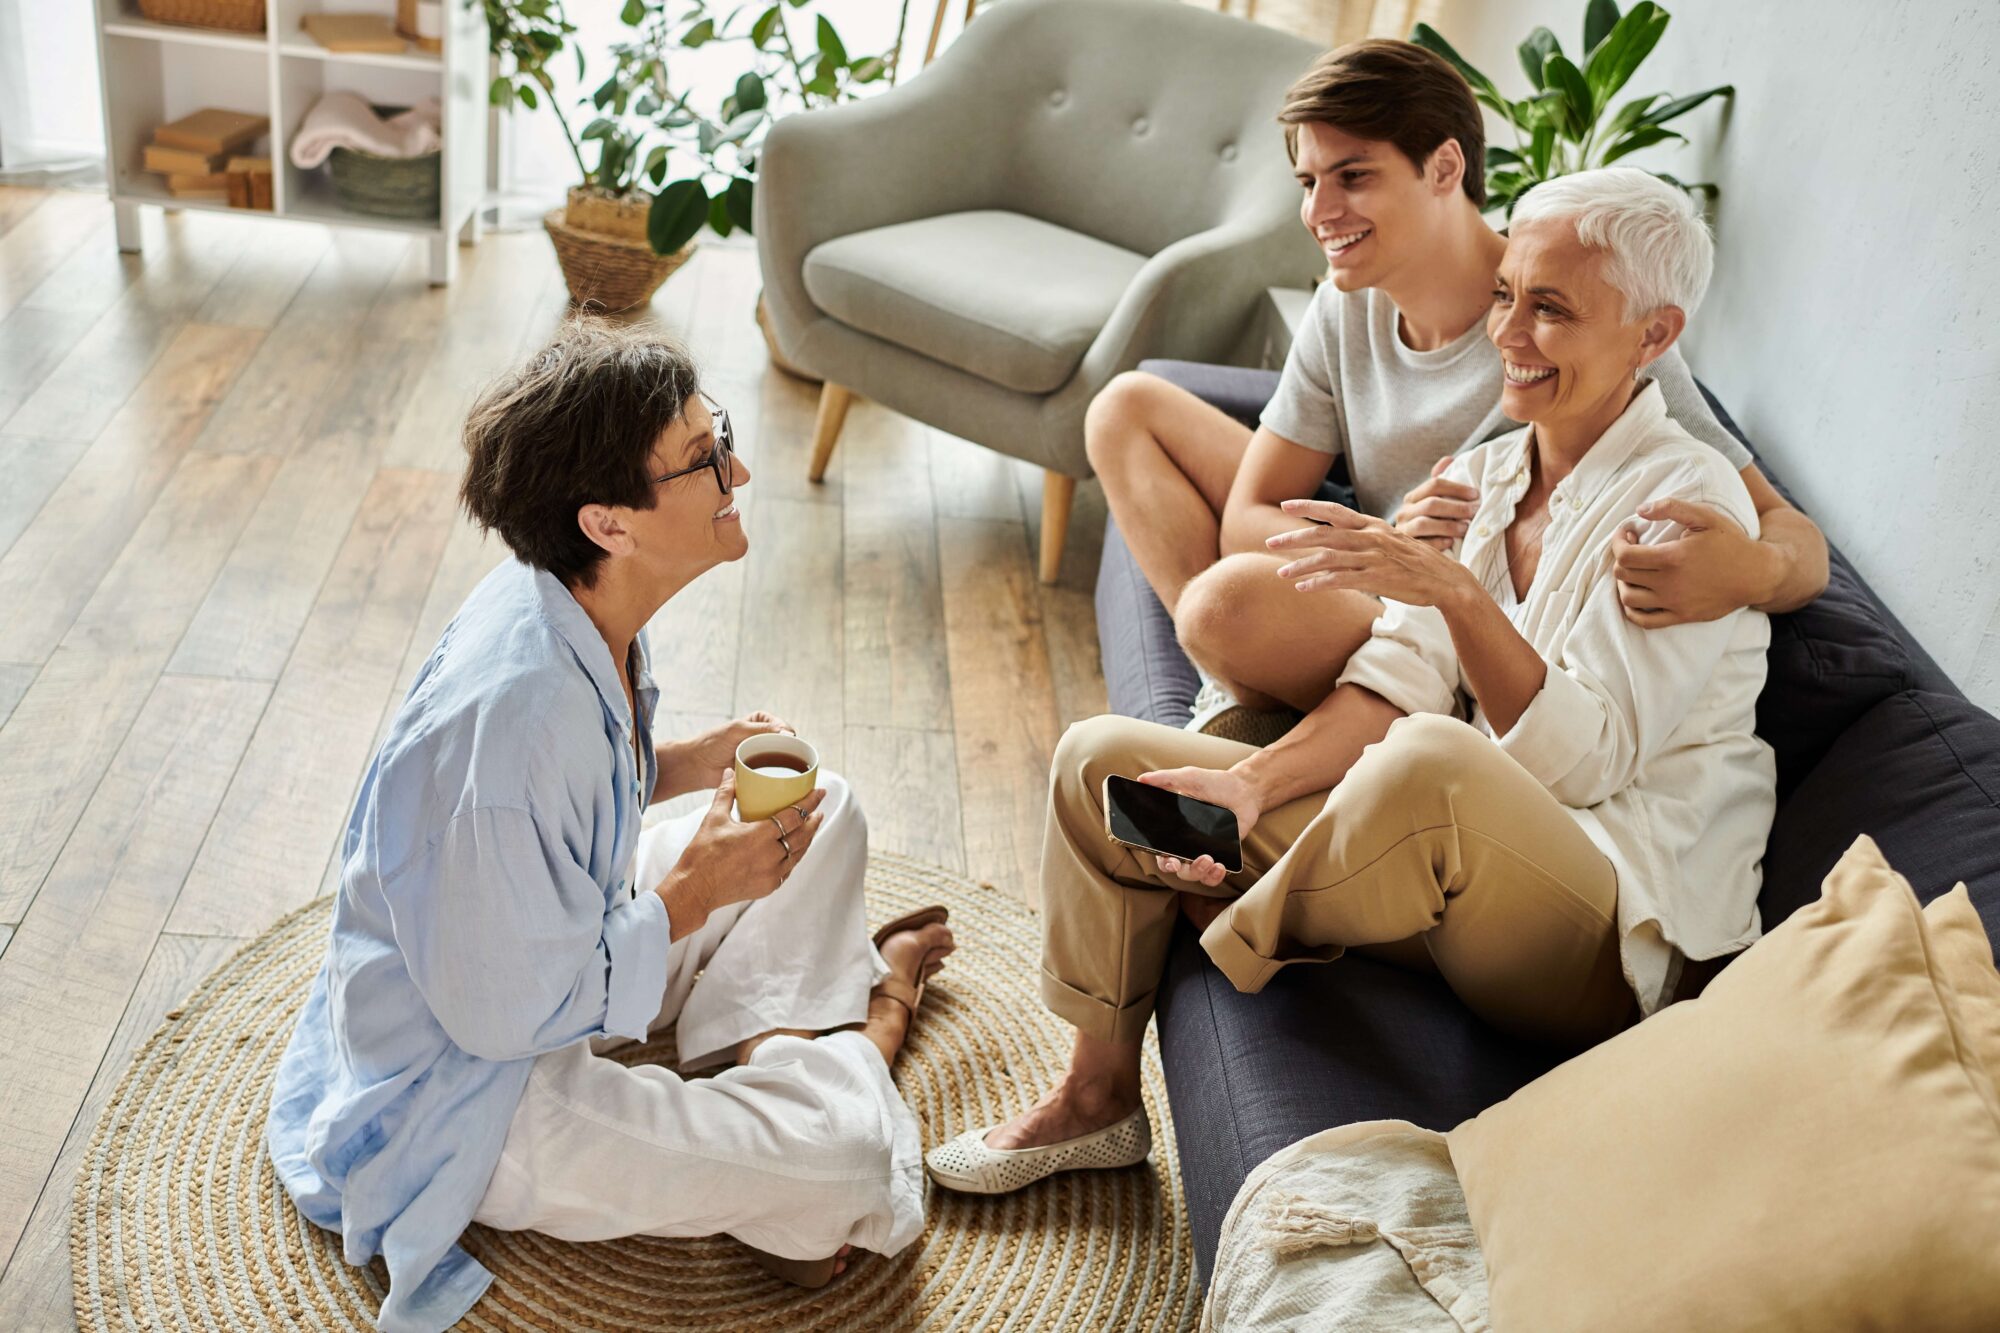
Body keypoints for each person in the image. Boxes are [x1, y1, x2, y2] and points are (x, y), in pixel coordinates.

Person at [928, 169, 1774, 1192]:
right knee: (1100, 763)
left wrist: (1455, 597)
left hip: (1602, 929)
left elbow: (1581, 764)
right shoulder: (1485, 477)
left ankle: (1230, 916)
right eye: (1506, 292)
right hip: (1426, 877)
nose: (1507, 330)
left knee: (1432, 761)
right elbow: (1387, 683)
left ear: (1652, 334)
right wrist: (1252, 785)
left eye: (1550, 308)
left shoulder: (1687, 507)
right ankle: (1096, 1101)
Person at [266, 320, 956, 1333]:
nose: (741, 467)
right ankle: (863, 1027)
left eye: (716, 435)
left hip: (548, 955)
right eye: (704, 459)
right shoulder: (512, 721)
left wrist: (682, 761)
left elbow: (570, 823)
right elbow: (505, 1014)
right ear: (610, 523)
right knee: (850, 1161)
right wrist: (692, 895)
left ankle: (773, 1059)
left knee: (824, 806)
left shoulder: (566, 608)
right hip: (475, 1092)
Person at [1084, 39, 1827, 725]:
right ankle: (1236, 682)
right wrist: (1385, 544)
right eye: (1309, 181)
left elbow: (1796, 538)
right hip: (1383, 565)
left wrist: (1751, 569)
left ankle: (1254, 668)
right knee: (1125, 408)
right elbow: (1248, 512)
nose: (1317, 211)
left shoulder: (1580, 326)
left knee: (1225, 604)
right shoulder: (1345, 308)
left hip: (1449, 630)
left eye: (1353, 176)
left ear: (1444, 168)